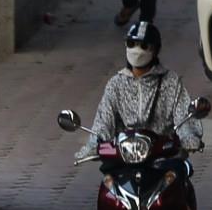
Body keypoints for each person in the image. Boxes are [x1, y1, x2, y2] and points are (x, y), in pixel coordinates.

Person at [80, 19, 204, 160]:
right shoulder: (115, 84)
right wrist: (95, 143)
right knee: (107, 181)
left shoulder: (171, 81)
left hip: (162, 156)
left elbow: (183, 114)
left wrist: (189, 136)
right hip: (124, 157)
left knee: (179, 177)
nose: (137, 50)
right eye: (132, 44)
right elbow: (103, 121)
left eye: (144, 46)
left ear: (155, 50)